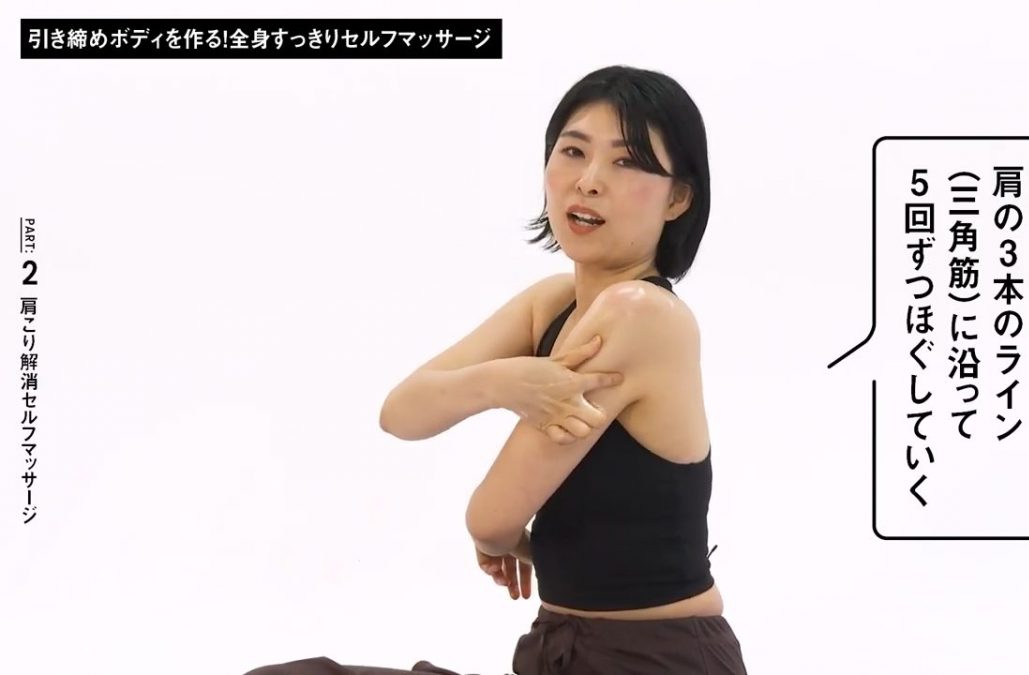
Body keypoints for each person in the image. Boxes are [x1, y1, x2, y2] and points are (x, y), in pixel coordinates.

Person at [244, 64, 746, 675]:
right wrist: (504, 382)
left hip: (654, 660)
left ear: (678, 197)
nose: (588, 181)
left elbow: (491, 515)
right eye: (573, 151)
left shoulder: (641, 314)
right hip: (559, 647)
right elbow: (401, 413)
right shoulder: (552, 303)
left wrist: (503, 537)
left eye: (626, 162)